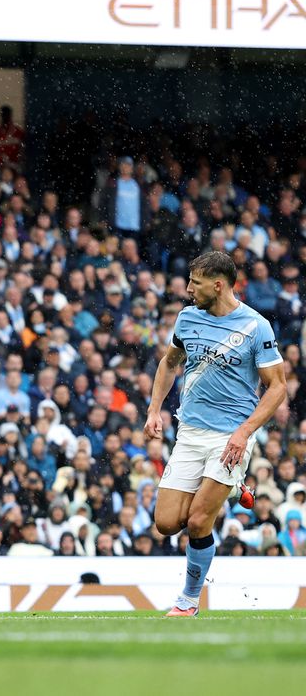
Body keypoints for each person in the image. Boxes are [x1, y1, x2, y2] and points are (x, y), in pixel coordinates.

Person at [145, 251, 287, 616]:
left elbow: (277, 387)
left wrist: (245, 432)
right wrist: (154, 408)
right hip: (191, 432)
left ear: (218, 285)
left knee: (197, 521)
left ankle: (188, 600)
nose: (189, 289)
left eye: (196, 282)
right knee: (166, 523)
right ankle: (234, 486)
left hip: (231, 437)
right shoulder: (187, 317)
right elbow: (169, 363)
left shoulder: (256, 327)